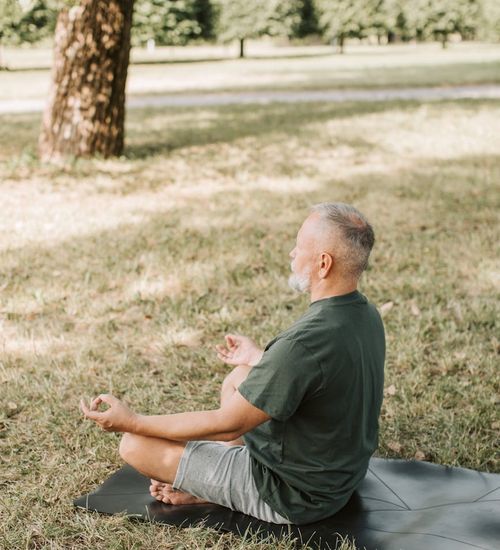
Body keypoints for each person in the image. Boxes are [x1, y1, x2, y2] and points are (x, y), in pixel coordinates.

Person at [81, 202, 385, 525]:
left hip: (292, 495)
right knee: (241, 375)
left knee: (134, 446)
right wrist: (259, 359)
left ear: (324, 264)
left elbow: (228, 423)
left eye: (299, 247)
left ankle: (211, 491)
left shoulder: (302, 344)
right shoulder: (365, 315)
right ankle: (215, 477)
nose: (291, 255)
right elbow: (322, 376)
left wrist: (132, 421)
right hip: (341, 477)